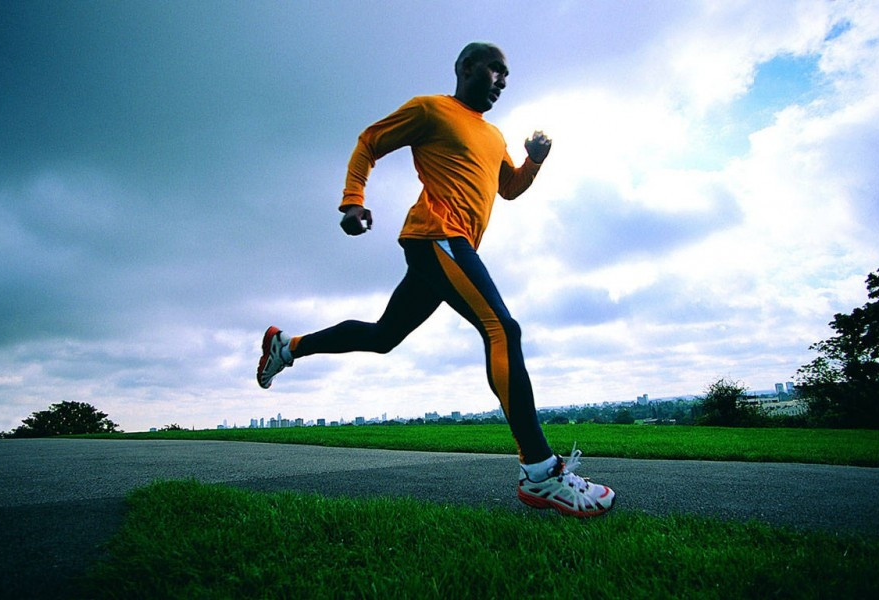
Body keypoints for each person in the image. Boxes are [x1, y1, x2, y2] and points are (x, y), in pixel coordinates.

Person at [257, 42, 615, 517]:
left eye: (507, 75)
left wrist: (533, 161)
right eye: (495, 70)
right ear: (466, 68)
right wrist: (352, 200)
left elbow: (507, 189)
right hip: (437, 236)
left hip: (450, 247)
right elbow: (369, 141)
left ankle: (288, 345)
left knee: (384, 336)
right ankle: (540, 472)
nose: (502, 81)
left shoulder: (493, 135)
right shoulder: (431, 110)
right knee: (502, 329)